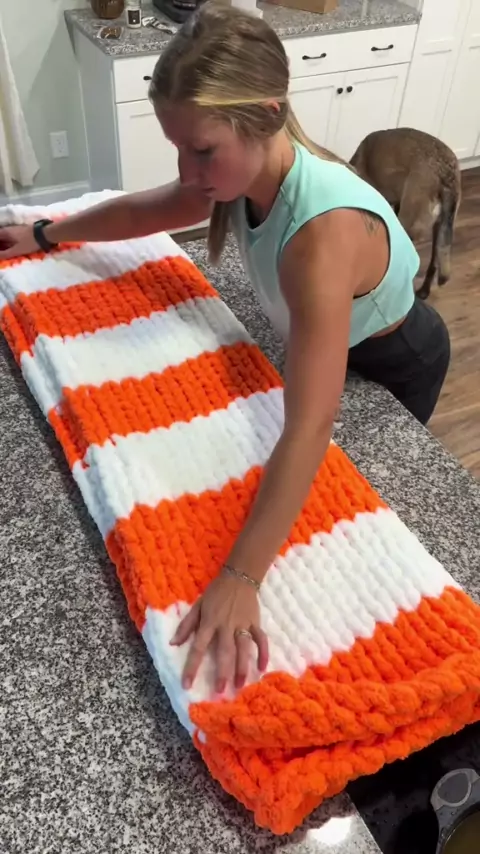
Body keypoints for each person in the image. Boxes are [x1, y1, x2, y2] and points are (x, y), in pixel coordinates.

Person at [0, 3, 450, 695]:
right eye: (178, 148)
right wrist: (47, 234)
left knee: (350, 517)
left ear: (266, 116)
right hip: (331, 341)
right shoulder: (241, 175)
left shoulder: (320, 237)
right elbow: (149, 208)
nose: (188, 170)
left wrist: (241, 577)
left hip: (396, 362)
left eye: (201, 150)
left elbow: (310, 426)